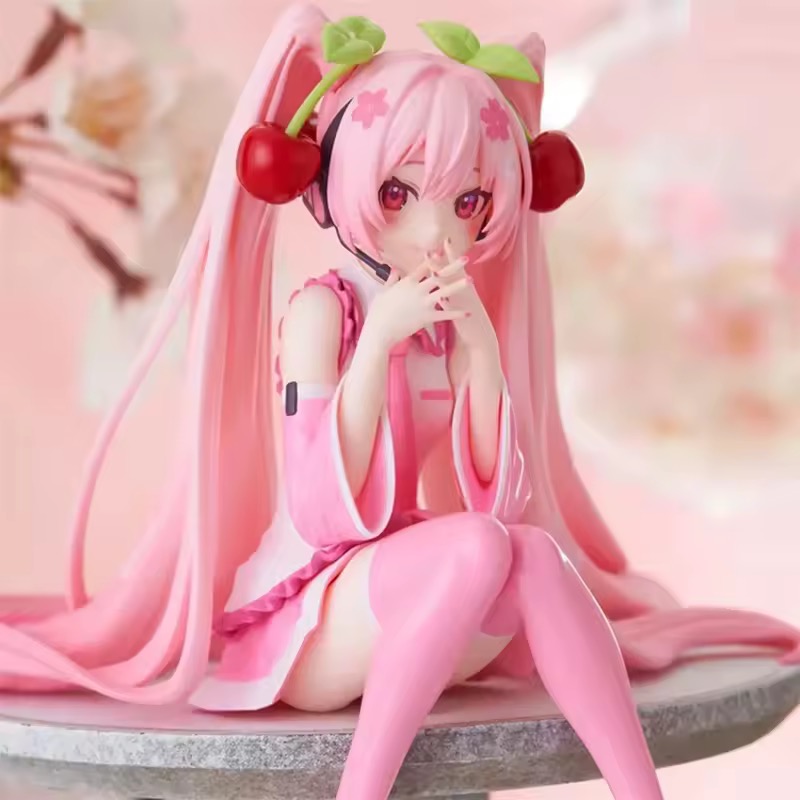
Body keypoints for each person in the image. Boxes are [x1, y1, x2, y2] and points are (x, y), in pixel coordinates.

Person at [1, 4, 798, 799]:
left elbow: (495, 500)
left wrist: (482, 351)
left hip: (411, 591)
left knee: (531, 553)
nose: (435, 230)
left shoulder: (448, 322)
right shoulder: (325, 313)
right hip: (313, 618)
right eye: (398, 193)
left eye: (468, 203)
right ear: (338, 183)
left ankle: (640, 793)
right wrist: (379, 340)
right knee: (480, 548)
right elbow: (321, 511)